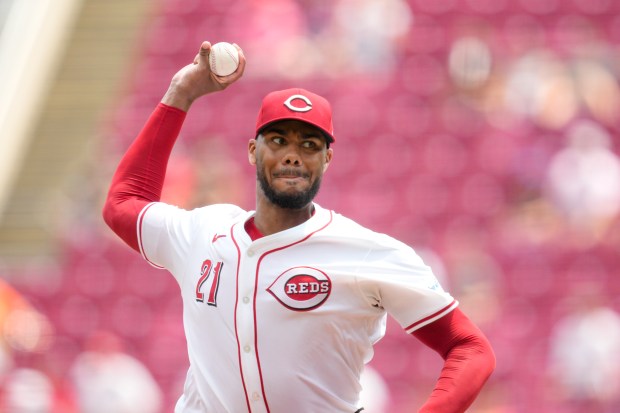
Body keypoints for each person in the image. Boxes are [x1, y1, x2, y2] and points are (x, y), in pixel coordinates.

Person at [103, 41, 495, 413]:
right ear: (254, 150)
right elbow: (123, 203)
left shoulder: (366, 252)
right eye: (279, 140)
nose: (293, 155)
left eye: (309, 145)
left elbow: (470, 348)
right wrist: (181, 93)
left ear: (327, 159)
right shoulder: (204, 231)